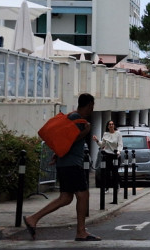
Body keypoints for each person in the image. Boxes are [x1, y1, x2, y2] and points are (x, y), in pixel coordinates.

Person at [24, 93, 100, 241]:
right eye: (92, 105)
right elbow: (70, 140)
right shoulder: (77, 120)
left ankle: (33, 219)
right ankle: (81, 232)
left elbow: (64, 142)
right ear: (90, 104)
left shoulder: (73, 117)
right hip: (72, 164)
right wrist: (85, 132)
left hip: (67, 163)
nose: (92, 108)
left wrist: (58, 155)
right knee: (83, 195)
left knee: (65, 198)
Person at [92, 120, 123, 193]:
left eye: (112, 124)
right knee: (107, 172)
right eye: (110, 124)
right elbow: (102, 144)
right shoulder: (105, 134)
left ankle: (117, 185)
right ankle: (107, 187)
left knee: (115, 171)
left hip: (116, 155)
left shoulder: (118, 134)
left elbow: (120, 144)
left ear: (114, 125)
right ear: (108, 126)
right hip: (107, 154)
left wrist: (118, 152)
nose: (111, 125)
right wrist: (97, 140)